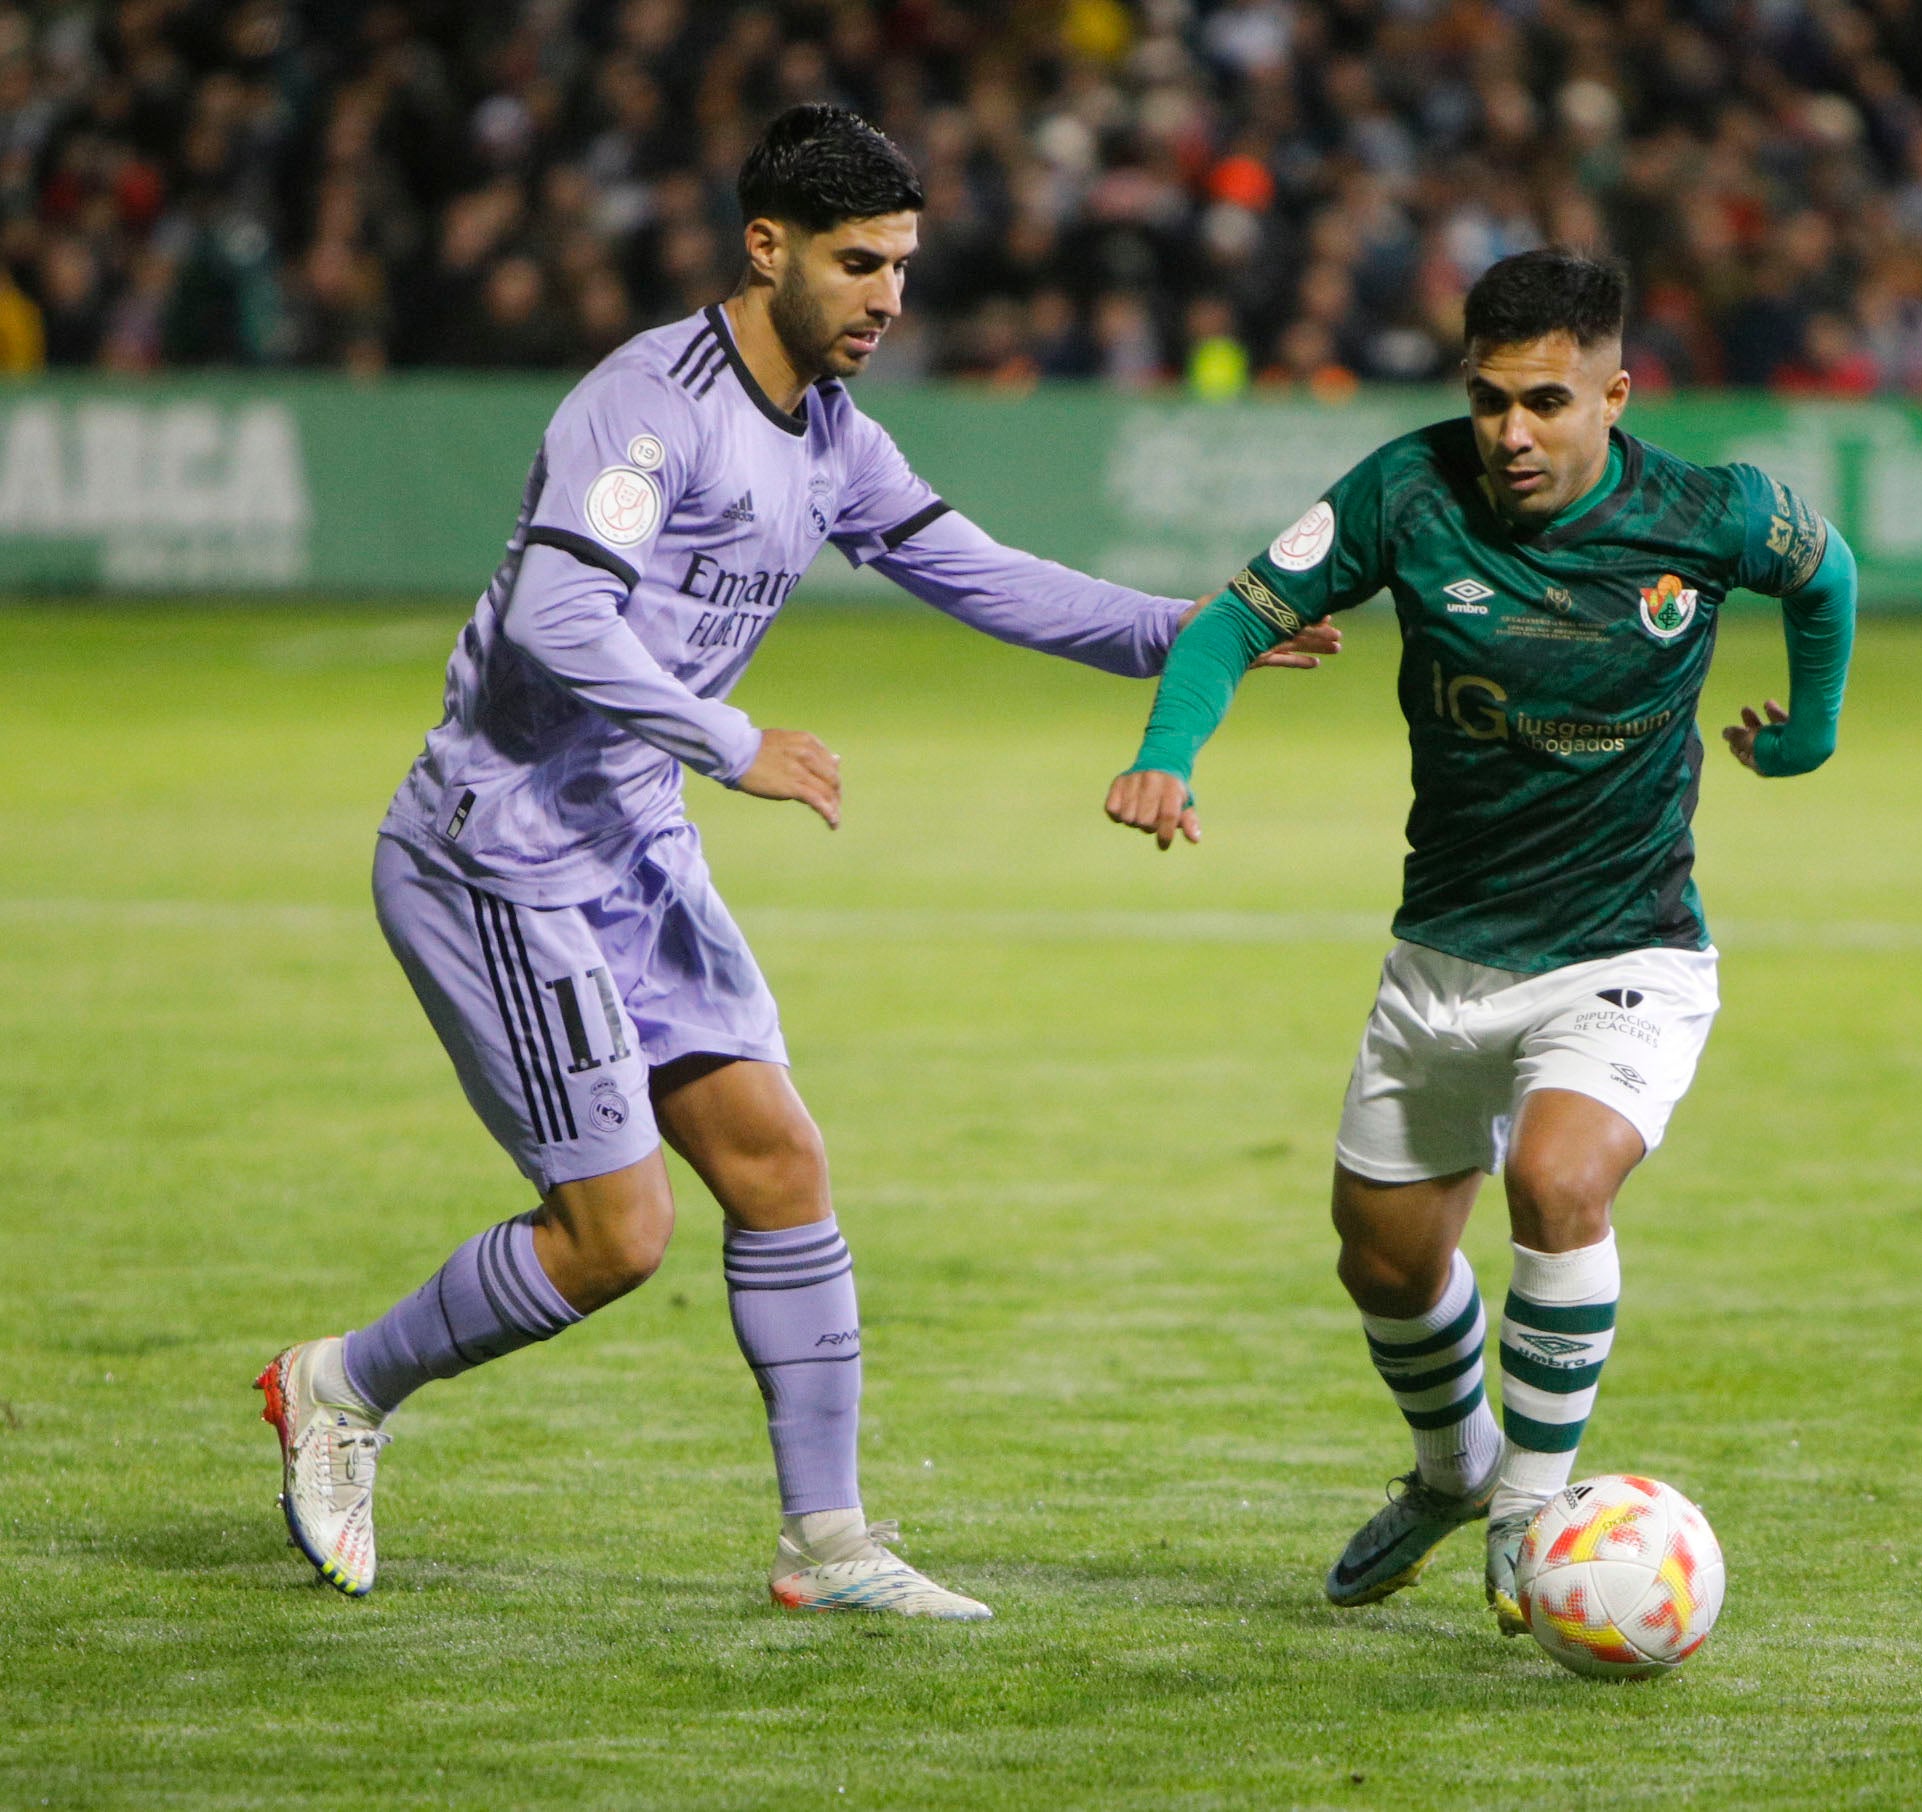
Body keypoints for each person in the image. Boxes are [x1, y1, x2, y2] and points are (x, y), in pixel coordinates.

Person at [256, 104, 1334, 1617]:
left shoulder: (831, 436)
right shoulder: (645, 406)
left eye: (900, 264)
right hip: (500, 853)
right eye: (856, 263)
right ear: (764, 249)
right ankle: (338, 1387)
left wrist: (1187, 629)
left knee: (778, 1168)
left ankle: (827, 1548)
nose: (888, 296)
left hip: (629, 847)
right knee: (616, 1238)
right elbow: (558, 623)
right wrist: (730, 740)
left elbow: (981, 575)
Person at [1103, 248, 1854, 1631]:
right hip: (1443, 956)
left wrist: (1806, 733)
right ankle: (1452, 1474)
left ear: (1614, 396)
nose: (1511, 434)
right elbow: (1233, 619)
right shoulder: (1404, 490)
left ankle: (1530, 1519)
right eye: (1490, 399)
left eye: (1548, 403)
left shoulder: (1708, 513)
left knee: (1560, 1186)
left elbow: (1824, 573)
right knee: (1380, 1258)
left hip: (1626, 949)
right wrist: (1169, 752)